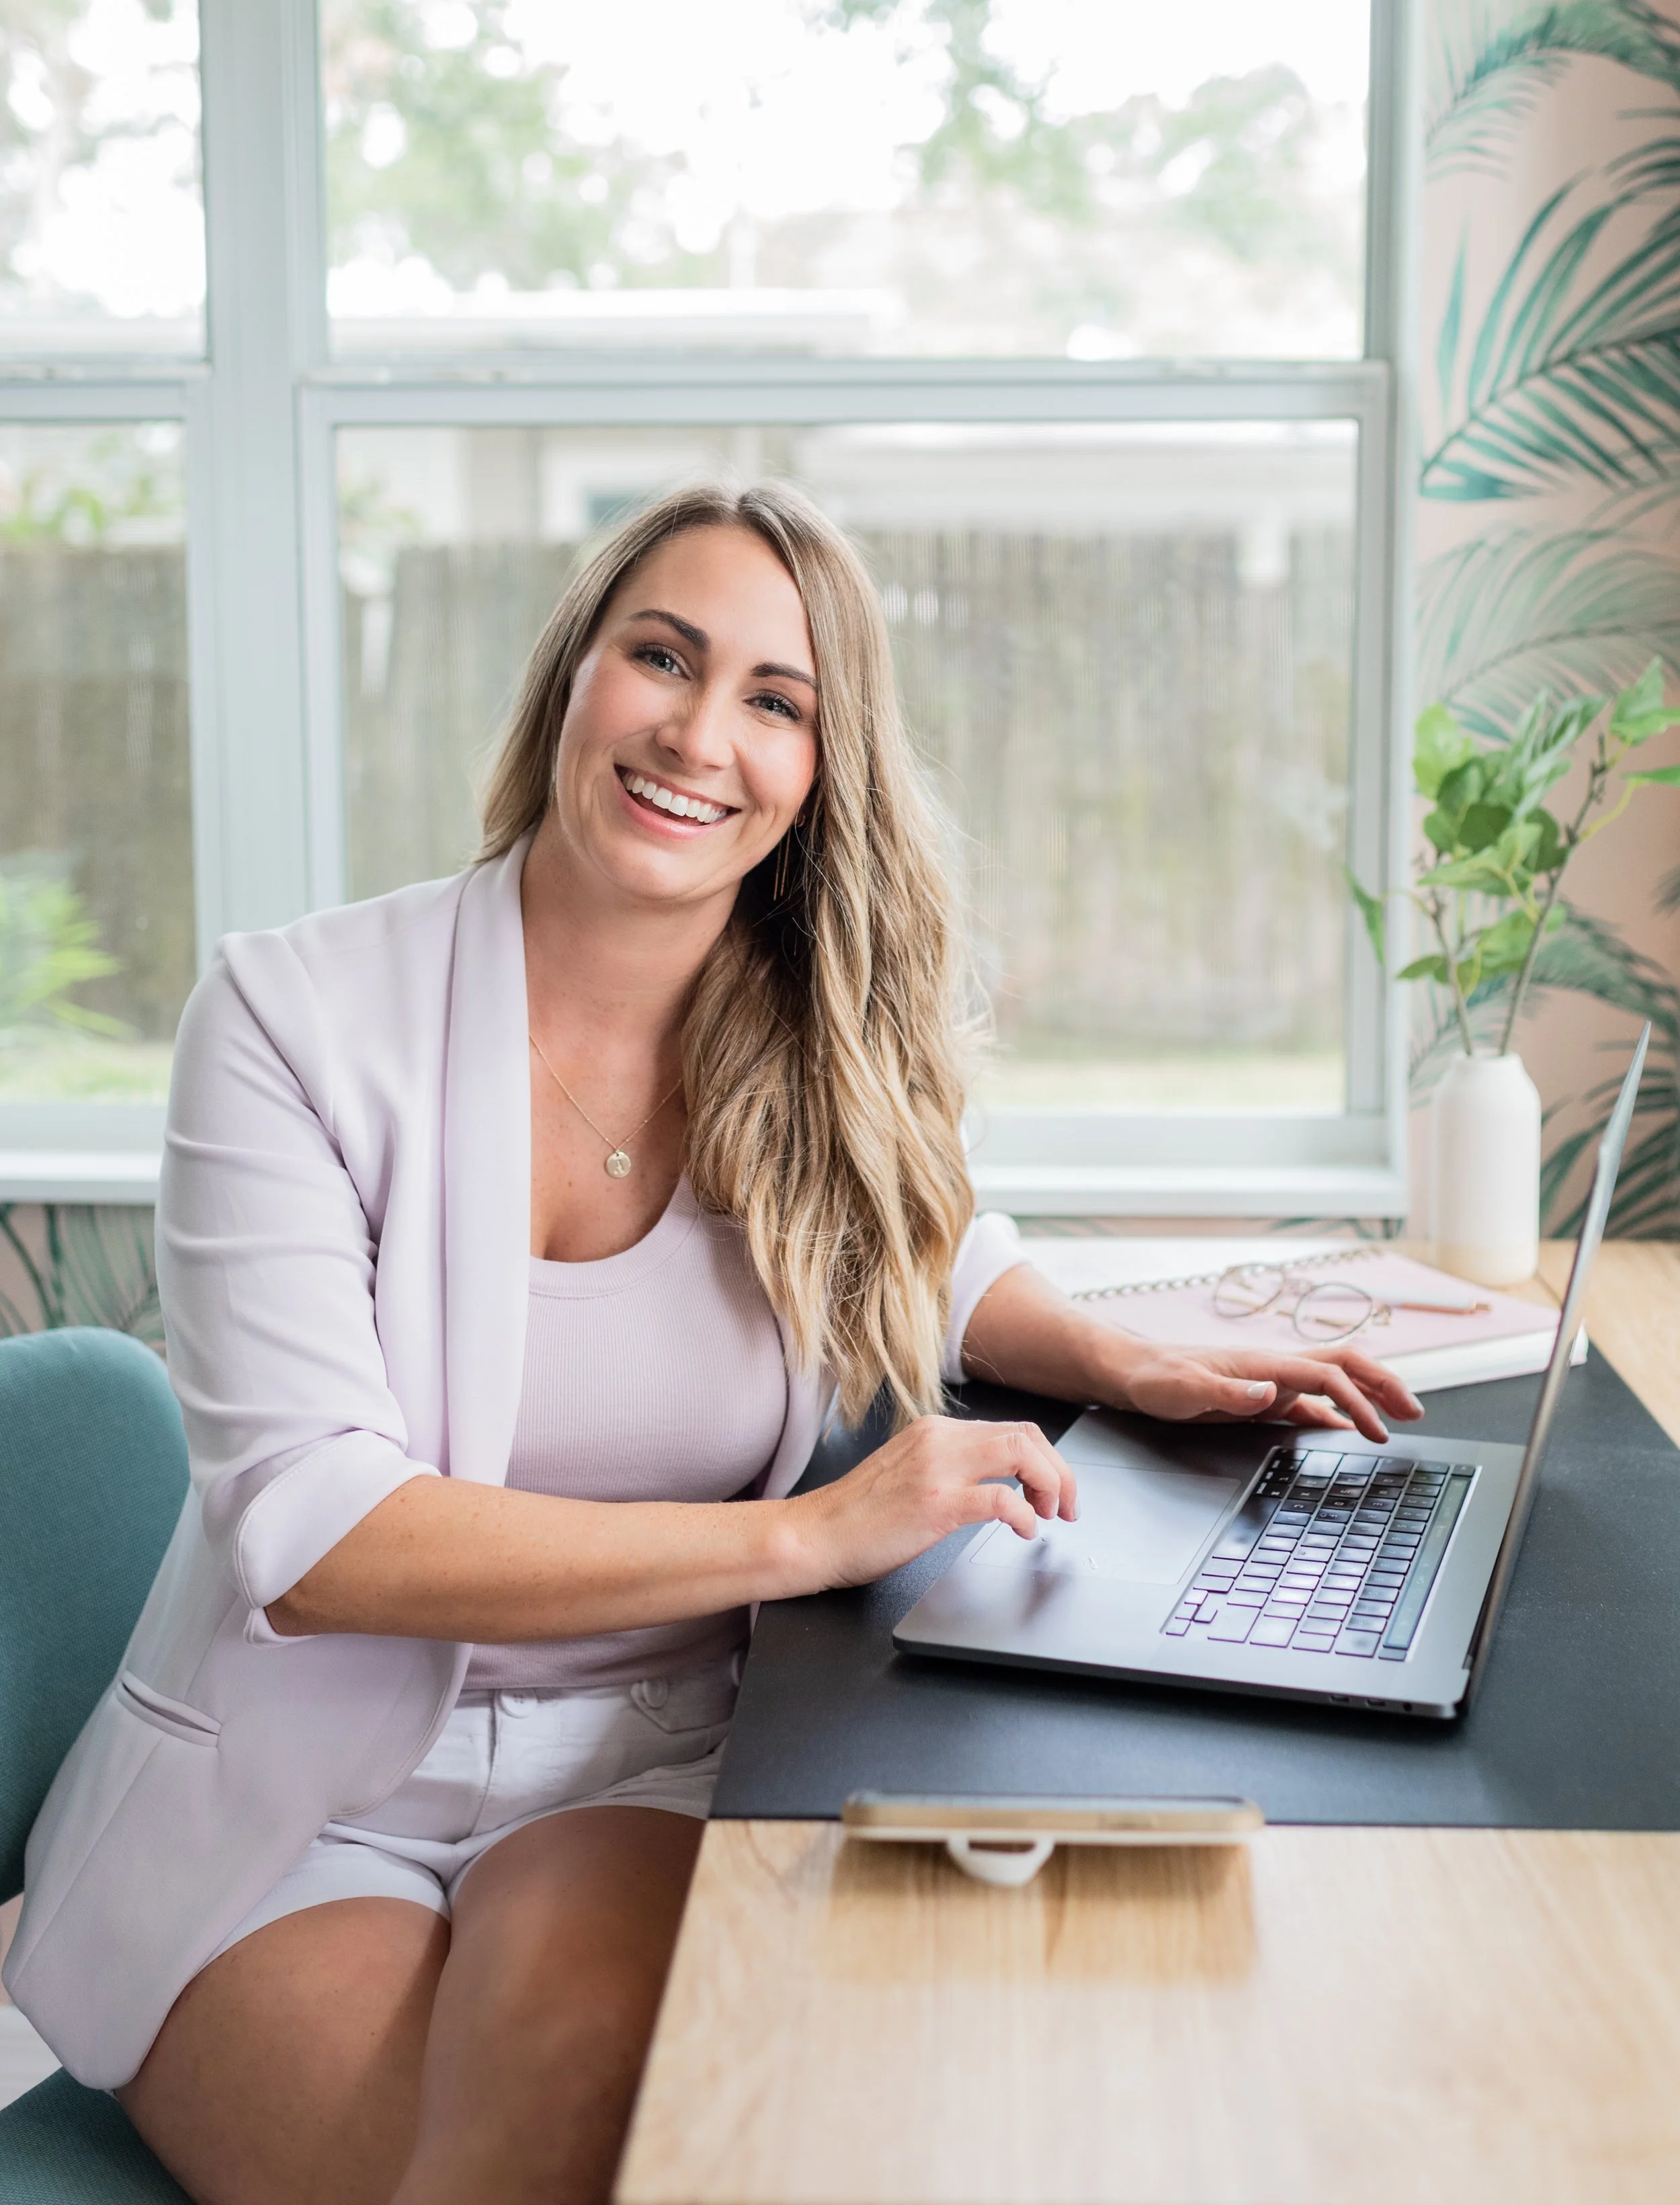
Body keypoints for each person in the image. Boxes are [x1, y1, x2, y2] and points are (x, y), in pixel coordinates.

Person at [4, 483, 1419, 2205]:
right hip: (278, 1800)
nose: (696, 730)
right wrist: (810, 1532)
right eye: (658, 655)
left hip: (635, 1759)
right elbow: (312, 1531)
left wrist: (1117, 1356)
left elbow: (922, 1230)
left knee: (579, 2135)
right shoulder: (290, 1018)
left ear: (820, 772)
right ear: (571, 679)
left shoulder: (803, 1039)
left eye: (774, 698)